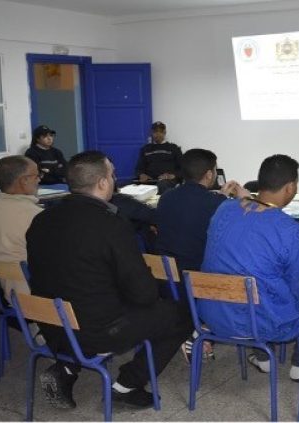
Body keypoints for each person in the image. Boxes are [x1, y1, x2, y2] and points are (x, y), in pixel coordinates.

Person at [26, 151, 192, 410]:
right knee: (180, 314)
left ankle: (67, 368)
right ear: (103, 183)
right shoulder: (111, 225)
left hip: (51, 325)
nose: (114, 179)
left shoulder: (41, 219)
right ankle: (127, 385)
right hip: (96, 330)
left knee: (89, 293)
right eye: (112, 174)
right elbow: (144, 295)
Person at [198, 154, 299, 381]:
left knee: (255, 284)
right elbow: (296, 287)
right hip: (260, 322)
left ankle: (263, 359)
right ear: (290, 188)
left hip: (211, 314)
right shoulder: (291, 231)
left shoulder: (223, 210)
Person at [0, 156, 42, 299]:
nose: (39, 180)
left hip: (4, 294)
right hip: (39, 299)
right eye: (36, 175)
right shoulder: (36, 216)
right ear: (24, 181)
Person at [155, 149, 227, 274]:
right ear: (209, 174)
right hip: (198, 279)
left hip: (167, 278)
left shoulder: (166, 197)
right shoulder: (216, 203)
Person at [135, 121, 182, 194]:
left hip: (167, 181)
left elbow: (182, 168)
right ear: (152, 133)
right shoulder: (145, 149)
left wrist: (172, 175)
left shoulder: (174, 148)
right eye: (155, 132)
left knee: (162, 185)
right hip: (150, 181)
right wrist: (142, 175)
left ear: (164, 132)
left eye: (161, 132)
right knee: (129, 187)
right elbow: (139, 168)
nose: (158, 134)